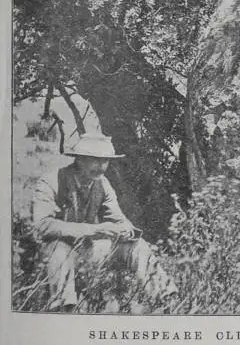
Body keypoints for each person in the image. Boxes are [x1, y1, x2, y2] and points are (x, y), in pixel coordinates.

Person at [31, 133, 177, 312]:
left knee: (136, 245)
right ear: (79, 159)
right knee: (58, 248)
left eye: (106, 161)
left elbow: (118, 219)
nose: (101, 167)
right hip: (55, 255)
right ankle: (64, 310)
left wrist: (125, 230)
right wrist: (93, 230)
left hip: (88, 251)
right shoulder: (52, 180)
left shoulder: (102, 184)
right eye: (95, 160)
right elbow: (42, 226)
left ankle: (167, 299)